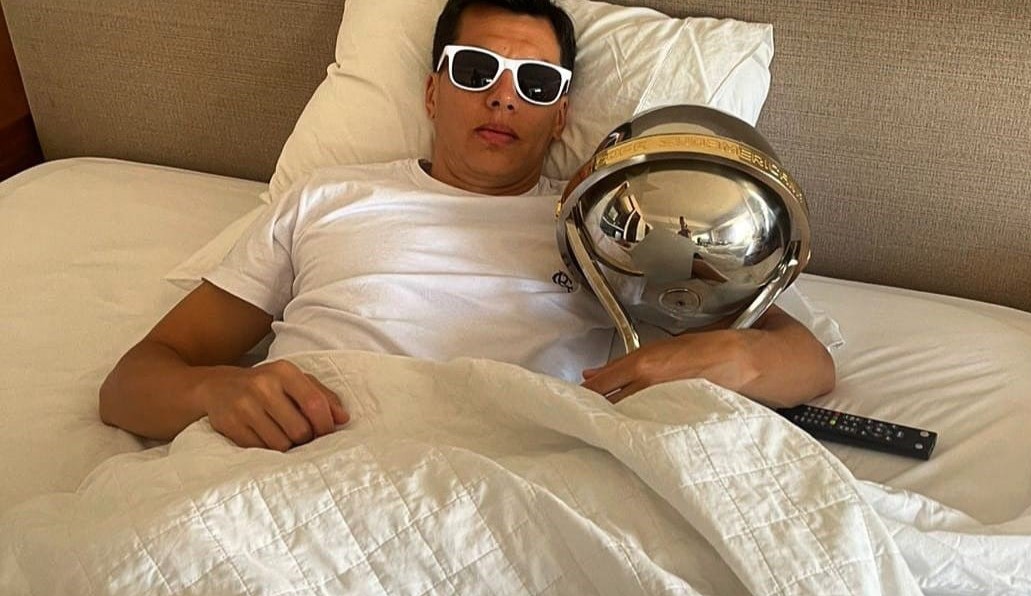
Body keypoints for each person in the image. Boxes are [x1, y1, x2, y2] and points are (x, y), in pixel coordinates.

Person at [99, 0, 836, 453]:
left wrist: (721, 361)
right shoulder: (324, 198)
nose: (503, 98)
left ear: (560, 117)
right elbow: (135, 381)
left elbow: (806, 363)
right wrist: (215, 393)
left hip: (522, 466)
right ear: (431, 92)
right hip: (315, 455)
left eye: (536, 84)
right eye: (476, 70)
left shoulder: (611, 220)